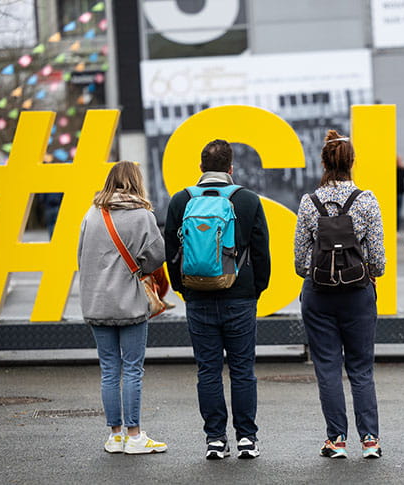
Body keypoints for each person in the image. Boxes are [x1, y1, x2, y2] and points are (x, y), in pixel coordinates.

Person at [164, 139, 271, 460]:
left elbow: (171, 253)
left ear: (200, 168)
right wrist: (256, 289)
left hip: (197, 296)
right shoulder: (248, 200)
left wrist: (183, 289)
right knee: (242, 370)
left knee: (208, 371)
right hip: (240, 297)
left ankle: (215, 439)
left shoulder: (180, 201)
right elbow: (262, 251)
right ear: (230, 168)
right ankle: (247, 439)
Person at [294, 129, 385, 459]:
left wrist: (320, 265)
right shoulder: (367, 200)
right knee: (361, 369)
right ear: (352, 162)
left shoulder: (309, 202)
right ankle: (370, 440)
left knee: (328, 369)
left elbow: (299, 261)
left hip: (318, 294)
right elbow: (378, 260)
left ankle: (337, 440)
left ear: (323, 162)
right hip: (358, 294)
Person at [78, 161, 168, 455]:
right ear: (136, 182)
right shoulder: (143, 216)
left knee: (108, 369)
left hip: (97, 302)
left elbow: (81, 256)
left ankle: (115, 436)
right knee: (132, 369)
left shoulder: (92, 215)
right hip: (130, 302)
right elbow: (157, 257)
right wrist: (137, 268)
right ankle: (135, 435)